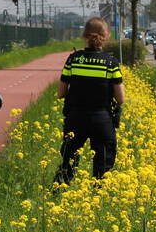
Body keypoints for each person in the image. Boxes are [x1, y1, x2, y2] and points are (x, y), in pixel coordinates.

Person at [54, 17, 125, 184]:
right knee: (103, 165)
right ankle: (98, 197)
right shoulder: (110, 63)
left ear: (84, 35)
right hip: (101, 119)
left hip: (76, 119)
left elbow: (60, 93)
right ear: (106, 35)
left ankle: (58, 194)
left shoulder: (73, 59)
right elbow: (120, 98)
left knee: (68, 162)